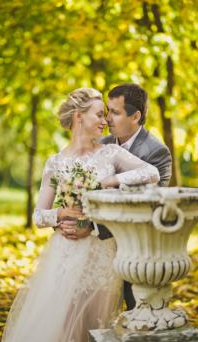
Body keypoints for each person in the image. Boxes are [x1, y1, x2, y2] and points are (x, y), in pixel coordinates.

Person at [2, 88, 160, 342]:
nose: (104, 121)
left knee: (96, 326)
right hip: (66, 256)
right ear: (79, 117)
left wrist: (113, 180)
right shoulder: (55, 162)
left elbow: (151, 173)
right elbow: (38, 215)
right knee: (62, 326)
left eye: (106, 115)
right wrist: (60, 214)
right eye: (99, 115)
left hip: (102, 256)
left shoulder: (111, 153)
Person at [61, 83, 172, 312]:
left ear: (136, 116)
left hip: (137, 251)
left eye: (115, 112)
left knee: (136, 318)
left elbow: (145, 208)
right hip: (96, 254)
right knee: (85, 313)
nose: (107, 118)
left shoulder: (157, 153)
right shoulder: (100, 144)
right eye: (107, 111)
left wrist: (91, 226)